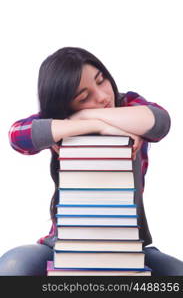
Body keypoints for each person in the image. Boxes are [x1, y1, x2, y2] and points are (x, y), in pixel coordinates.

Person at [1, 47, 183, 276]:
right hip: (63, 245)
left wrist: (86, 114)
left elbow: (160, 121)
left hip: (130, 246)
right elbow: (17, 136)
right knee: (13, 267)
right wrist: (95, 126)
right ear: (66, 105)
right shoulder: (60, 120)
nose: (103, 97)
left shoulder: (127, 104)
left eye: (101, 80)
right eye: (84, 98)